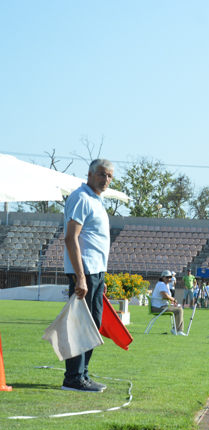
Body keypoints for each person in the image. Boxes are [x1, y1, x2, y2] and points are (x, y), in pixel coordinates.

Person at [61, 159, 114, 392]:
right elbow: (71, 238)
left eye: (110, 176)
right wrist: (80, 277)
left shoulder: (96, 200)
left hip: (97, 272)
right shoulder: (81, 198)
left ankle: (82, 374)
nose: (106, 180)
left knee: (93, 325)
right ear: (91, 174)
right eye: (102, 174)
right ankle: (73, 378)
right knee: (80, 326)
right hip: (85, 272)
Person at [151, 270, 186, 335]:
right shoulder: (161, 284)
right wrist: (173, 299)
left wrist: (172, 301)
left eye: (170, 277)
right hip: (158, 307)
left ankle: (175, 329)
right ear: (163, 277)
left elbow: (166, 296)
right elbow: (164, 295)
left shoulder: (164, 284)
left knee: (178, 308)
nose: (169, 279)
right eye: (167, 277)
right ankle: (179, 330)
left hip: (160, 306)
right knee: (179, 310)